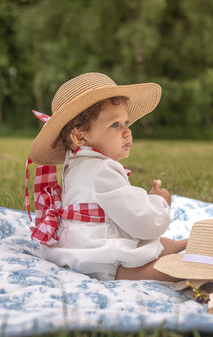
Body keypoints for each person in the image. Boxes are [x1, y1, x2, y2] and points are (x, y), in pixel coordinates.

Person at [25, 72, 187, 281]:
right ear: (80, 135)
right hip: (98, 253)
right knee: (153, 266)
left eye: (126, 122)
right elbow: (141, 222)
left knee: (153, 244)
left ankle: (183, 244)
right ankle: (187, 270)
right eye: (115, 125)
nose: (127, 132)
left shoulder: (75, 162)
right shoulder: (103, 170)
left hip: (73, 245)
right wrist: (160, 203)